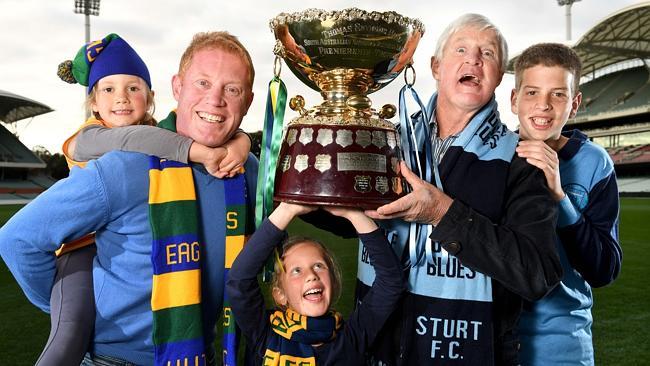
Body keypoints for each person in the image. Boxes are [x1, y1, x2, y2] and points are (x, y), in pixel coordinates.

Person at [0, 31, 257, 366]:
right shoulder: (125, 162)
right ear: (177, 87)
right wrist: (63, 304)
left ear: (247, 101)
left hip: (206, 355)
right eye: (203, 83)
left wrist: (245, 142)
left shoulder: (246, 168)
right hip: (116, 359)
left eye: (232, 89)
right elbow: (17, 239)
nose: (216, 100)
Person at [358, 14, 563, 365]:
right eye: (462, 49)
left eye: (488, 53)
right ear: (436, 66)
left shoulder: (520, 160)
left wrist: (442, 212)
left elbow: (537, 274)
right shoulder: (389, 142)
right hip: (378, 346)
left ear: (499, 76)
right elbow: (334, 211)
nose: (474, 60)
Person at [511, 43, 622, 365]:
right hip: (492, 338)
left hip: (561, 346)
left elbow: (603, 270)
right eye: (532, 92)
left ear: (574, 104)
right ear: (515, 99)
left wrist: (559, 196)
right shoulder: (493, 154)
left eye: (558, 94)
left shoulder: (594, 163)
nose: (543, 106)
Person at [225, 202, 405, 365]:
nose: (311, 275)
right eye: (297, 271)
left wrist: (354, 215)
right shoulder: (265, 333)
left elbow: (391, 281)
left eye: (319, 266)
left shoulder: (352, 337)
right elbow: (240, 280)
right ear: (280, 294)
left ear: (333, 282)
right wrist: (287, 209)